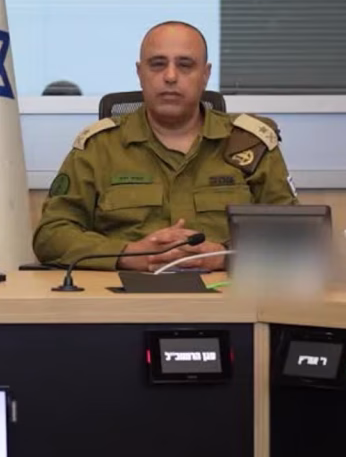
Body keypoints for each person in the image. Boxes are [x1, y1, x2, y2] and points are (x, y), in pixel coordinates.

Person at [33, 21, 297, 272]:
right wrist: (127, 254)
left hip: (224, 297)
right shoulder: (99, 147)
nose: (170, 76)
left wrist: (224, 255)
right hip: (124, 296)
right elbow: (51, 234)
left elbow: (294, 233)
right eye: (157, 64)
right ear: (140, 74)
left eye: (185, 65)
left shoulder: (250, 144)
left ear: (205, 75)